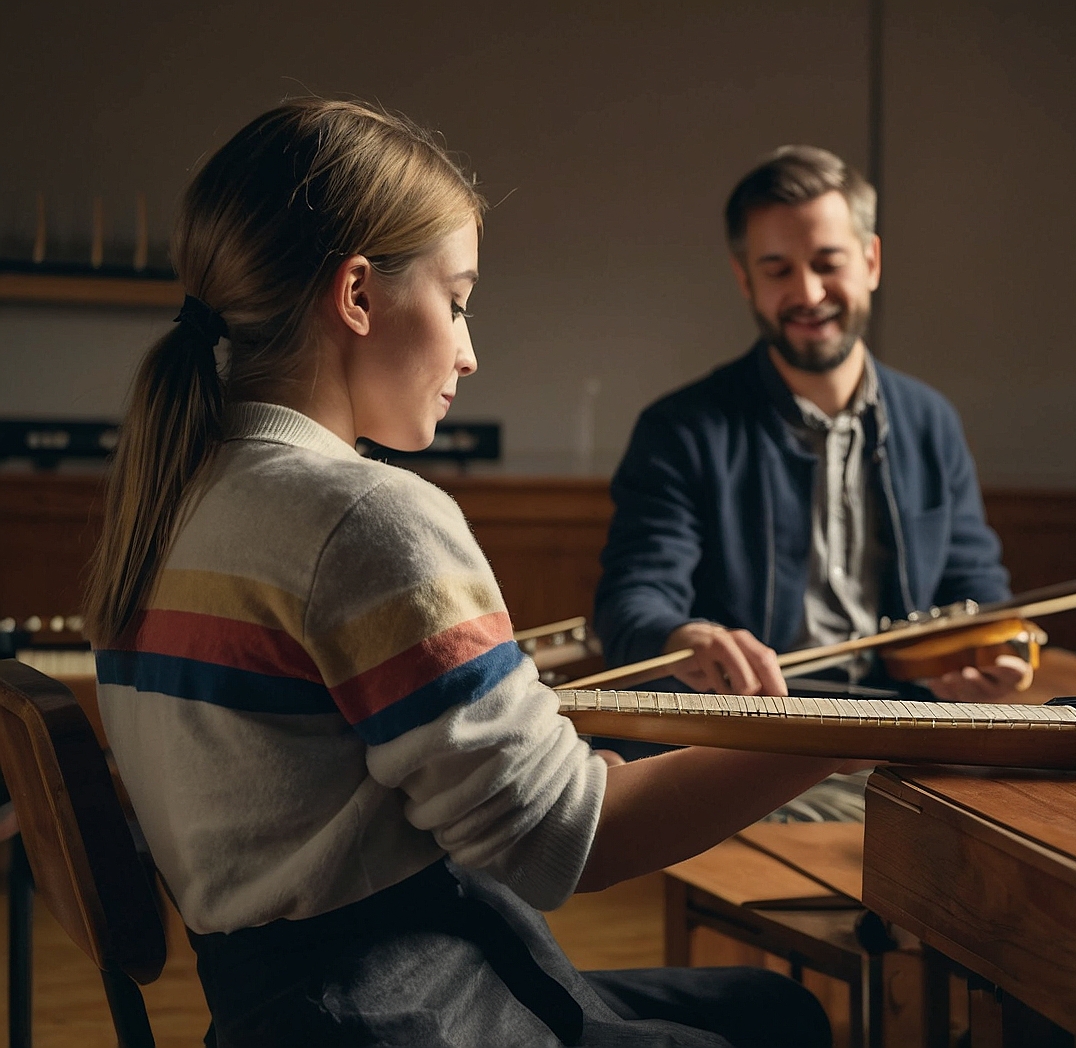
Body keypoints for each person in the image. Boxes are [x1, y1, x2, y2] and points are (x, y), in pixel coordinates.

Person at [84, 101, 852, 1048]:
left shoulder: (173, 496)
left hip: (277, 1014)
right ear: (358, 295)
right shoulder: (364, 513)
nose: (469, 348)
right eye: (457, 300)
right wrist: (831, 736)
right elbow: (565, 841)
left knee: (774, 1008)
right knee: (779, 1027)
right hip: (392, 1011)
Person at [595, 146, 1027, 704]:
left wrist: (997, 654)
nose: (808, 294)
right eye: (778, 270)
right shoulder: (678, 431)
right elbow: (632, 602)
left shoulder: (930, 421)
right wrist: (683, 638)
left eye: (828, 263)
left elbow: (977, 590)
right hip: (747, 743)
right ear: (744, 279)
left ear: (871, 261)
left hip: (907, 734)